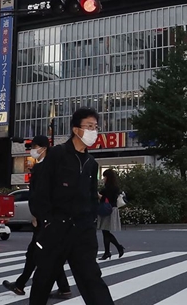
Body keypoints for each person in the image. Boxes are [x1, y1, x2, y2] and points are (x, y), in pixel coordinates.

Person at [29, 108, 114, 305]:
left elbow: (92, 196)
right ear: (76, 130)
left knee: (92, 279)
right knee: (44, 279)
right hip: (57, 228)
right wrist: (48, 222)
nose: (94, 131)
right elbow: (41, 192)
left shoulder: (92, 162)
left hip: (83, 230)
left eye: (96, 127)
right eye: (89, 126)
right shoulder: (57, 154)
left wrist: (91, 221)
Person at [3, 135, 72, 298]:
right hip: (44, 217)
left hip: (44, 219)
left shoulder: (46, 167)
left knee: (39, 253)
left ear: (43, 148)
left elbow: (42, 195)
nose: (33, 150)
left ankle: (25, 285)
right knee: (39, 252)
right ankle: (61, 287)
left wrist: (38, 215)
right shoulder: (42, 167)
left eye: (34, 147)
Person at [97, 169, 125, 260]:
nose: (103, 178)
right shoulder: (115, 187)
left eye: (104, 176)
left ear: (108, 177)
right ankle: (114, 249)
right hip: (112, 209)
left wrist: (97, 194)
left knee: (105, 231)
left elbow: (103, 197)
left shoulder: (107, 188)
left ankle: (110, 251)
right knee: (106, 232)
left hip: (107, 209)